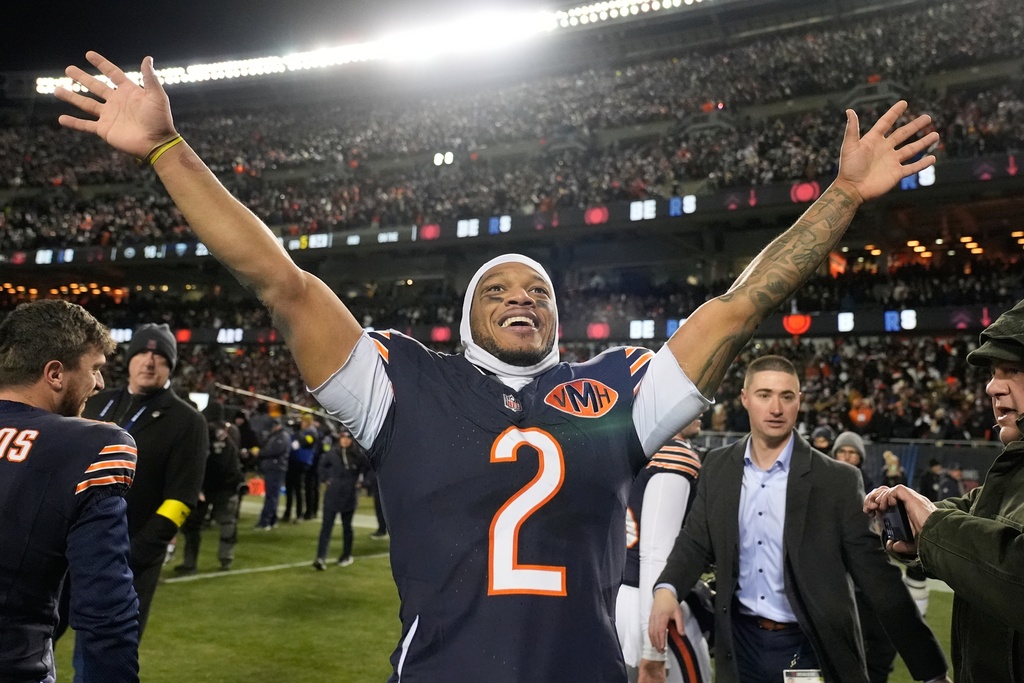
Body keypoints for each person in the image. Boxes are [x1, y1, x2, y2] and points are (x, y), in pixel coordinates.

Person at [56, 50, 938, 681]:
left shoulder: (620, 390)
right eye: (498, 290)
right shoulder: (399, 381)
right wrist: (170, 151)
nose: (523, 298)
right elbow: (280, 282)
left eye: (541, 291)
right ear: (463, 317)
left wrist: (844, 196)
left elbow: (740, 306)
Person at [649, 355, 950, 683]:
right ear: (745, 399)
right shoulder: (718, 467)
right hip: (738, 647)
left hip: (810, 648)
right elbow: (695, 540)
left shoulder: (837, 481)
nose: (775, 408)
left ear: (799, 402)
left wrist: (931, 671)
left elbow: (878, 578)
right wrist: (666, 588)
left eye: (786, 396)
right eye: (765, 395)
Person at [865, 297, 1024, 682]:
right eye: (991, 372)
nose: (991, 387)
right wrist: (908, 520)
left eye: (1012, 370)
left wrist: (931, 528)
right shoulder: (1014, 469)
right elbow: (972, 513)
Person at [0, 300, 140, 682]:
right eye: (94, 368)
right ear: (55, 373)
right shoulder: (90, 445)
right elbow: (105, 612)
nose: (98, 383)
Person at [58, 322, 207, 653]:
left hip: (129, 563)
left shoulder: (187, 422)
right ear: (129, 360)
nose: (149, 362)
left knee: (106, 659)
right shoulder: (97, 401)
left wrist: (137, 552)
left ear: (171, 365)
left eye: (160, 356)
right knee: (32, 645)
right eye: (142, 353)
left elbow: (181, 499)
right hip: (71, 551)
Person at [616, 417, 712, 683]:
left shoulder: (628, 447)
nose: (703, 404)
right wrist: (653, 650)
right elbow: (656, 553)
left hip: (615, 600)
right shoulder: (672, 454)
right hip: (652, 606)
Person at [175, 402, 245, 574]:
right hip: (228, 485)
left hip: (205, 485)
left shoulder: (203, 428)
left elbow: (197, 457)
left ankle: (190, 564)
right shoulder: (232, 431)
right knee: (228, 522)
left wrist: (197, 486)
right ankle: (226, 558)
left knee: (192, 526)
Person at [314, 429, 370, 570]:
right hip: (332, 495)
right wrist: (325, 478)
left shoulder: (358, 455)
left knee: (347, 528)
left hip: (349, 496)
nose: (345, 440)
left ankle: (346, 555)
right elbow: (321, 465)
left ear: (352, 440)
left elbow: (369, 469)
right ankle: (320, 558)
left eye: (348, 438)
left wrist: (363, 482)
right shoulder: (332, 453)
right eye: (343, 438)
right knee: (326, 528)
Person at [254, 417, 291, 529]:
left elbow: (275, 450)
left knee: (271, 496)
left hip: (276, 468)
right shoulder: (276, 435)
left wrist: (260, 453)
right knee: (272, 495)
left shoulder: (282, 436)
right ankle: (272, 519)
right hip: (273, 468)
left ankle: (266, 521)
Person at [283, 413, 316, 522]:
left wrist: (297, 433)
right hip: (291, 461)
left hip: (302, 463)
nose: (302, 423)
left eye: (305, 422)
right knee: (289, 489)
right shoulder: (296, 432)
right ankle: (287, 513)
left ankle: (299, 514)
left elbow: (304, 442)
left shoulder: (311, 433)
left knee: (298, 489)